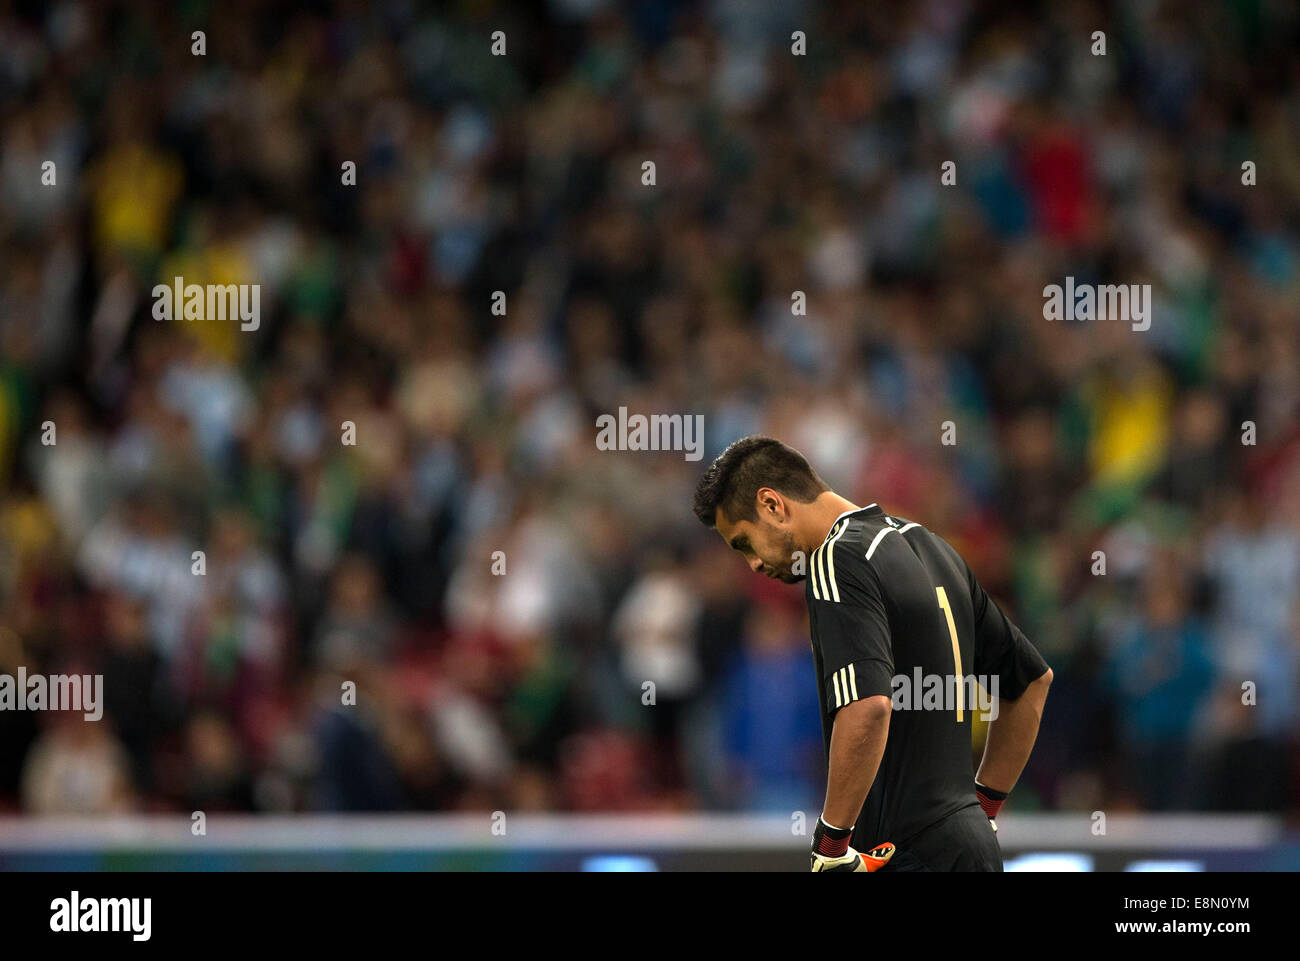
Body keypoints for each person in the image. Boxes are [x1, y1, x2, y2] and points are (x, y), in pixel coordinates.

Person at [693, 436, 1053, 871]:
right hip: (970, 848)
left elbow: (867, 707)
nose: (752, 564)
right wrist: (983, 807)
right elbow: (1032, 681)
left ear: (772, 505)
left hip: (901, 853)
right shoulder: (934, 549)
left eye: (744, 543)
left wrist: (831, 845)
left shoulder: (834, 559)